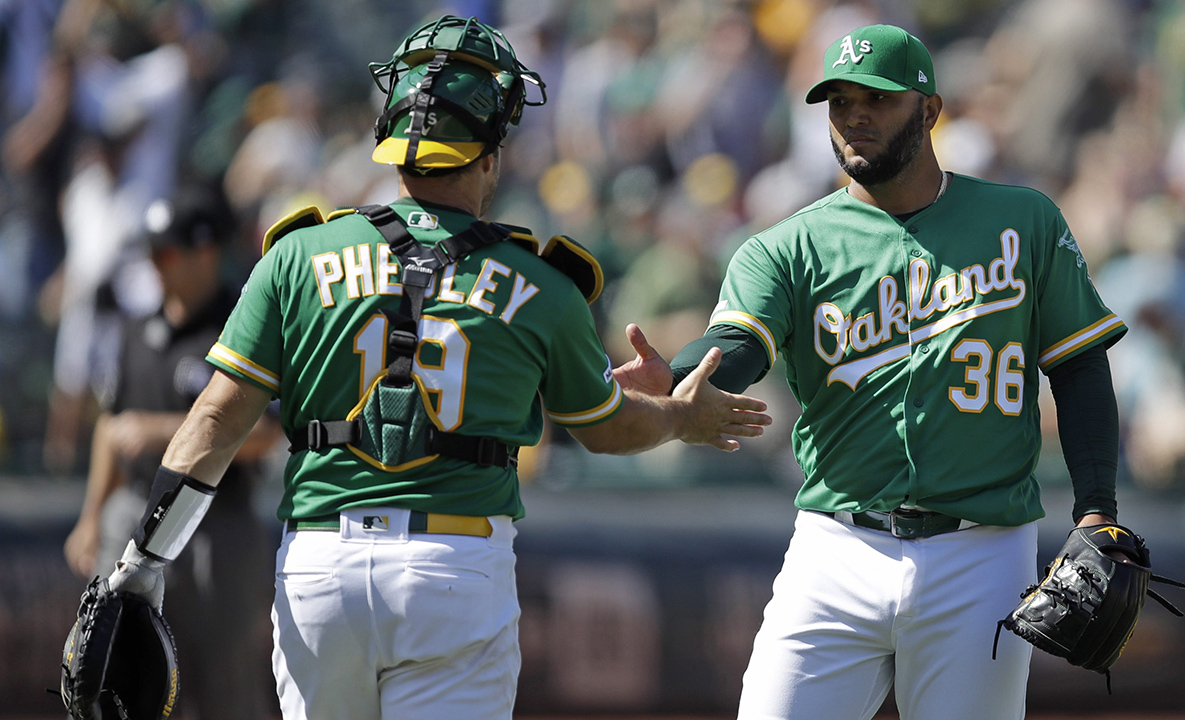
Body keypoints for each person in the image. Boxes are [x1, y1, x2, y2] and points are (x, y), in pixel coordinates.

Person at [98, 15, 770, 720]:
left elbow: (214, 422)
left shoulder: (296, 255)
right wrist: (678, 417)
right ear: (490, 154)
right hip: (453, 563)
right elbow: (606, 431)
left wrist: (144, 560)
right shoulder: (543, 283)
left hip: (320, 566)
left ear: (391, 145)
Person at [611, 24, 1127, 720]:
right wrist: (678, 375)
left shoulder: (1022, 221)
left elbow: (1080, 366)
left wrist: (1098, 509)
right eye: (839, 101)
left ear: (930, 110)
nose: (855, 115)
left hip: (981, 549)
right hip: (836, 546)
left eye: (878, 99)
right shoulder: (788, 246)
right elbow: (741, 341)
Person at [63, 185, 278, 719]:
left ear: (206, 252)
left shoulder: (241, 322)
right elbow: (112, 432)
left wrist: (160, 431)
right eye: (152, 255)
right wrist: (90, 518)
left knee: (225, 681)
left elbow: (265, 435)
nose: (156, 268)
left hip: (217, 524)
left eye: (166, 254)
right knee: (115, 675)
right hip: (134, 511)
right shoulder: (136, 329)